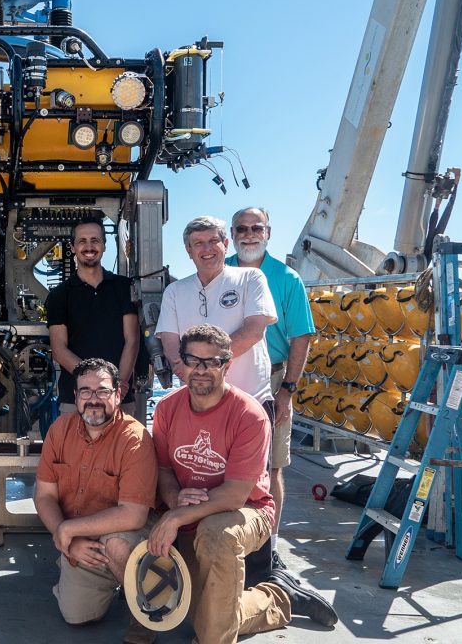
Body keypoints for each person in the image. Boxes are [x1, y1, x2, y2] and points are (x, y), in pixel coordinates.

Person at [148, 325, 336, 644]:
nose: (201, 370)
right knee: (198, 610)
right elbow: (165, 470)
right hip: (192, 510)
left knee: (215, 538)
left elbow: (236, 494)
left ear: (228, 364)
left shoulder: (249, 414)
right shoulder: (166, 408)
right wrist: (175, 498)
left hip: (245, 512)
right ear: (181, 363)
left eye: (213, 362)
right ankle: (277, 596)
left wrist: (177, 515)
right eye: (193, 360)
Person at [33, 358, 159, 644]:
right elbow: (44, 495)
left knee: (117, 541)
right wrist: (67, 538)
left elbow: (133, 516)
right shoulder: (59, 430)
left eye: (102, 391)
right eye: (86, 392)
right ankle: (84, 570)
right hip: (82, 537)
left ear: (118, 394)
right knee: (76, 616)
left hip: (127, 533)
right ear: (75, 397)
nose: (94, 400)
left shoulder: (135, 438)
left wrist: (68, 530)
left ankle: (145, 609)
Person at [226, 207, 315, 569]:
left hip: (273, 377)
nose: (249, 234)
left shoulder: (287, 279)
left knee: (273, 466)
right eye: (242, 228)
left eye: (256, 228)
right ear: (231, 233)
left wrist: (287, 391)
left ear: (268, 232)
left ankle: (269, 546)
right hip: (226, 377)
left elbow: (301, 337)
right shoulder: (219, 270)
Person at [156, 216, 276, 410]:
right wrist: (203, 373)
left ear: (226, 244)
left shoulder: (251, 278)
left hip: (251, 402)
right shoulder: (174, 291)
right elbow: (170, 345)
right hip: (198, 404)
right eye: (198, 243)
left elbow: (254, 331)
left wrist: (206, 366)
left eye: (213, 241)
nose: (207, 249)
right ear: (189, 250)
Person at [46, 218, 145, 420]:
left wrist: (117, 386)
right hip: (75, 398)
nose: (89, 246)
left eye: (95, 240)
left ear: (104, 246)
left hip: (120, 397)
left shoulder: (124, 288)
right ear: (73, 247)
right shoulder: (59, 295)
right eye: (82, 241)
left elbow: (132, 340)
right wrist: (97, 386)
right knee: (76, 453)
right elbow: (59, 350)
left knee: (122, 452)